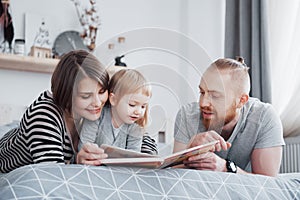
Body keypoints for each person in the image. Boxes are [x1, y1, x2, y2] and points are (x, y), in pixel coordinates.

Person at [0, 50, 110, 173]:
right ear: (66, 94)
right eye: (85, 96)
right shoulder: (43, 117)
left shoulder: (90, 114)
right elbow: (54, 177)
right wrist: (77, 164)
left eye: (101, 92)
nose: (98, 102)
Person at [173, 57, 284, 176]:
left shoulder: (264, 117)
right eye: (202, 92)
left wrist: (225, 167)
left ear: (241, 101)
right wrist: (189, 150)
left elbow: (268, 183)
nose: (203, 103)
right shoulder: (187, 115)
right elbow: (174, 175)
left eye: (215, 96)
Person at [79, 69, 154, 154]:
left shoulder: (135, 126)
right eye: (132, 105)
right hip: (92, 164)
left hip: (120, 167)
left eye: (143, 106)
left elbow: (134, 155)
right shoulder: (96, 116)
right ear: (113, 99)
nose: (138, 112)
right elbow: (84, 147)